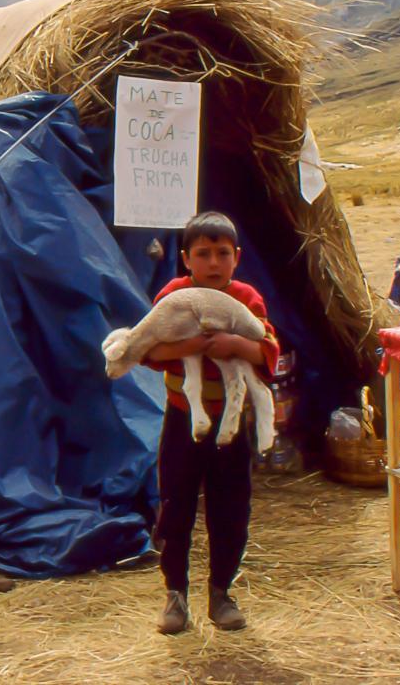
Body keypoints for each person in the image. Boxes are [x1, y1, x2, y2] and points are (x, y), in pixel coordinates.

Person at [143, 211, 279, 635]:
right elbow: (151, 346)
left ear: (236, 258)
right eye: (203, 254)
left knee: (231, 509)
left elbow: (267, 348)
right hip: (183, 420)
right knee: (176, 506)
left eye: (223, 253)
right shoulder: (173, 296)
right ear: (186, 259)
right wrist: (198, 345)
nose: (214, 263)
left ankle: (221, 592)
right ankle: (175, 594)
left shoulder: (247, 299)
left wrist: (237, 343)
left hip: (231, 425)